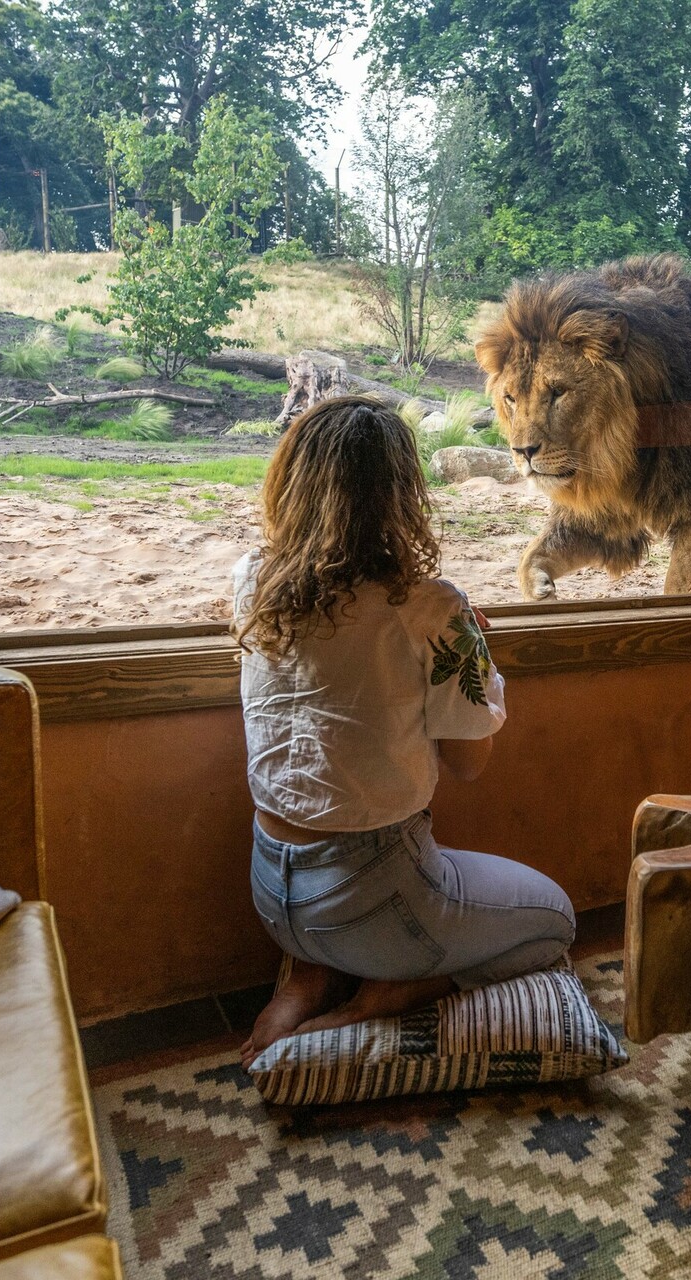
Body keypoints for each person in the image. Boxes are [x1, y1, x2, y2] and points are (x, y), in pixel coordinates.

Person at [231, 396, 575, 1067]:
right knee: (555, 922)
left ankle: (306, 977)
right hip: (376, 894)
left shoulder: (252, 580)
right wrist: (468, 643)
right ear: (401, 495)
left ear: (288, 483)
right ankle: (386, 993)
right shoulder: (432, 605)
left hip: (271, 889)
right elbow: (471, 763)